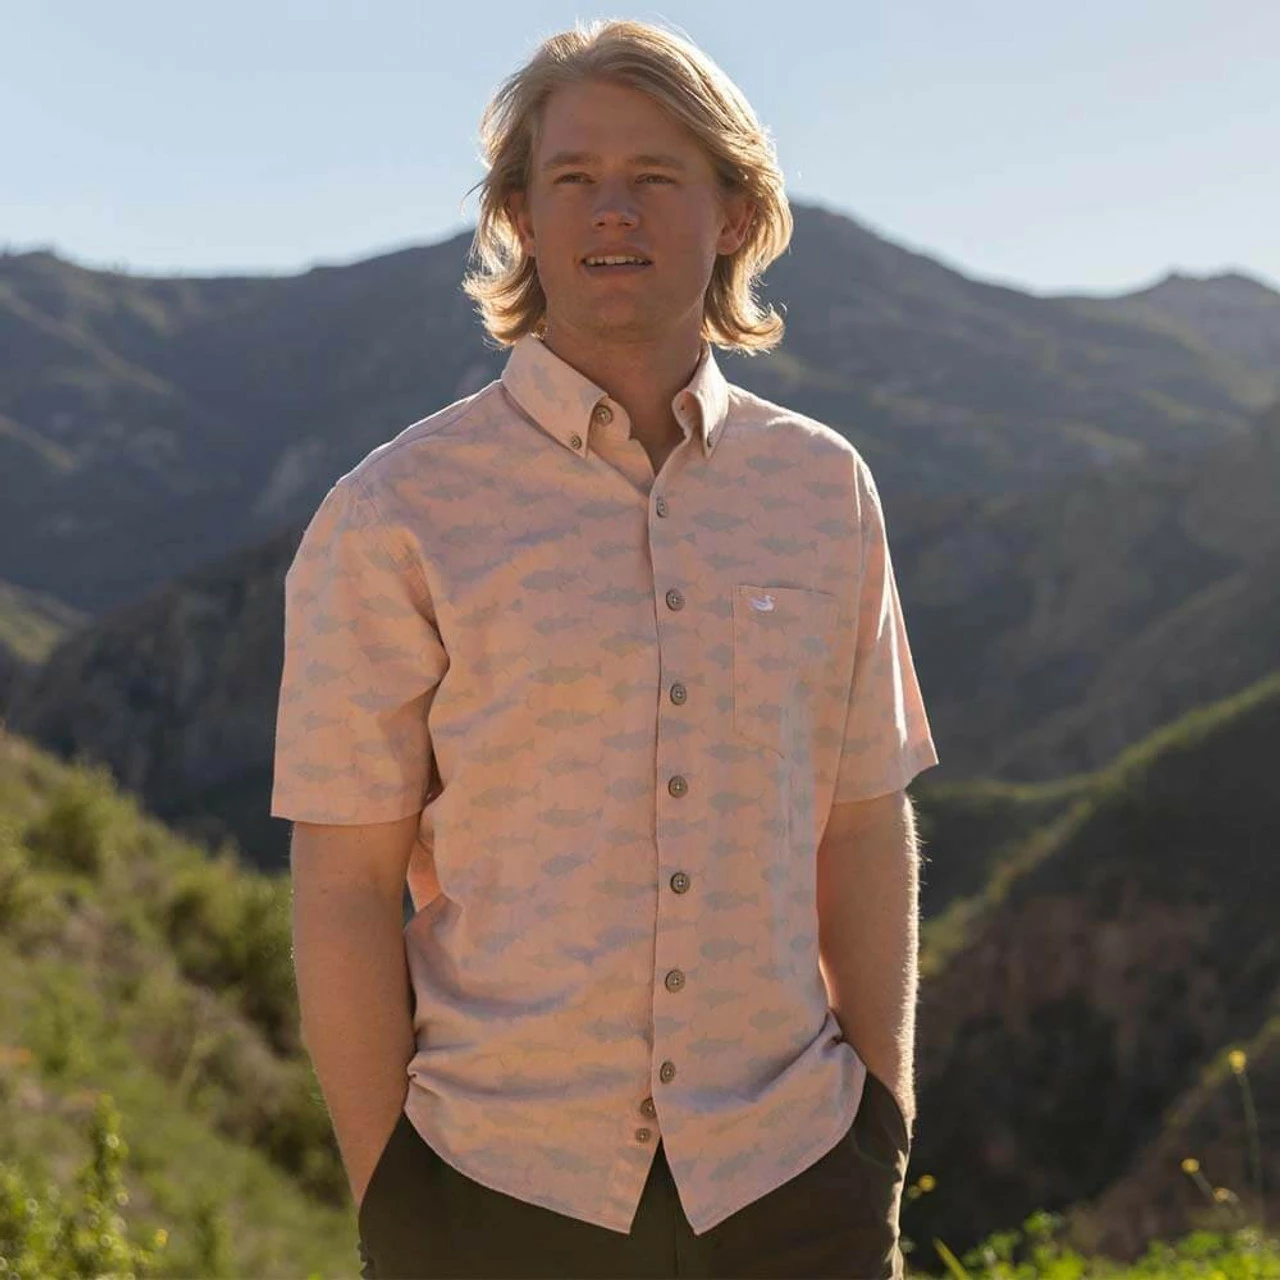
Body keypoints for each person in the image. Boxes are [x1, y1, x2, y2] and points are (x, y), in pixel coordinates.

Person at [271, 17, 939, 1279]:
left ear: (733, 211)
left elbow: (861, 820)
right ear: (520, 216)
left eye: (653, 176)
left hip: (795, 1176)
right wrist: (390, 1196)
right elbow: (344, 880)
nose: (609, 210)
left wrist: (879, 1130)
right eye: (571, 177)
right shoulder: (396, 512)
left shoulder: (823, 489)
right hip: (493, 1189)